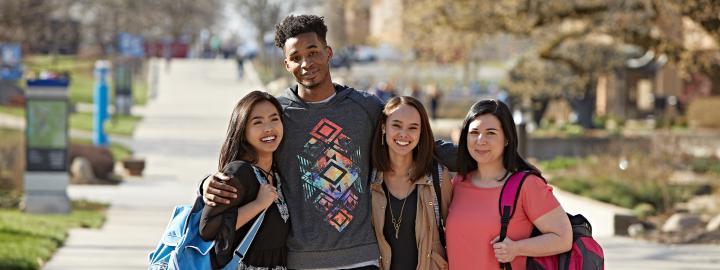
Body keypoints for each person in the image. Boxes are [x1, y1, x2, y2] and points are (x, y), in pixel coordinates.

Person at [200, 15, 457, 269]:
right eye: (296, 57)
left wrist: (482, 154)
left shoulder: (364, 107)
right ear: (286, 65)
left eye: (313, 52)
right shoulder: (279, 115)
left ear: (329, 52)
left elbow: (414, 140)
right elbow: (246, 161)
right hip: (301, 260)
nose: (306, 63)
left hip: (362, 257)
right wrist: (206, 185)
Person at [445, 99, 573, 269]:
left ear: (507, 138)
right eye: (474, 132)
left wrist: (517, 248)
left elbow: (563, 238)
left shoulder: (527, 185)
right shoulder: (458, 182)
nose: (481, 140)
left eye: (491, 133)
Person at [199, 91, 289, 269]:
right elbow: (209, 229)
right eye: (257, 122)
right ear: (242, 130)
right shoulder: (239, 172)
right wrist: (258, 204)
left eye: (274, 119)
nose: (269, 128)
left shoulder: (278, 172)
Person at [369, 96, 451, 270]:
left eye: (413, 127)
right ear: (384, 127)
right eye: (396, 125)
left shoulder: (437, 176)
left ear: (421, 133)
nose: (404, 134)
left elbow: (455, 231)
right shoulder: (368, 177)